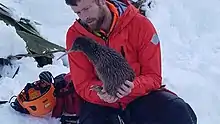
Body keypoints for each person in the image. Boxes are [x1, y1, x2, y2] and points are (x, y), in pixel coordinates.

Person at [64, 0, 197, 124]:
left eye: (87, 8)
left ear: (101, 1)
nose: (84, 17)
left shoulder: (140, 25)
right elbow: (83, 84)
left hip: (139, 97)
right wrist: (103, 93)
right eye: (78, 12)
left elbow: (153, 76)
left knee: (178, 111)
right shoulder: (76, 36)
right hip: (101, 104)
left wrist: (132, 87)